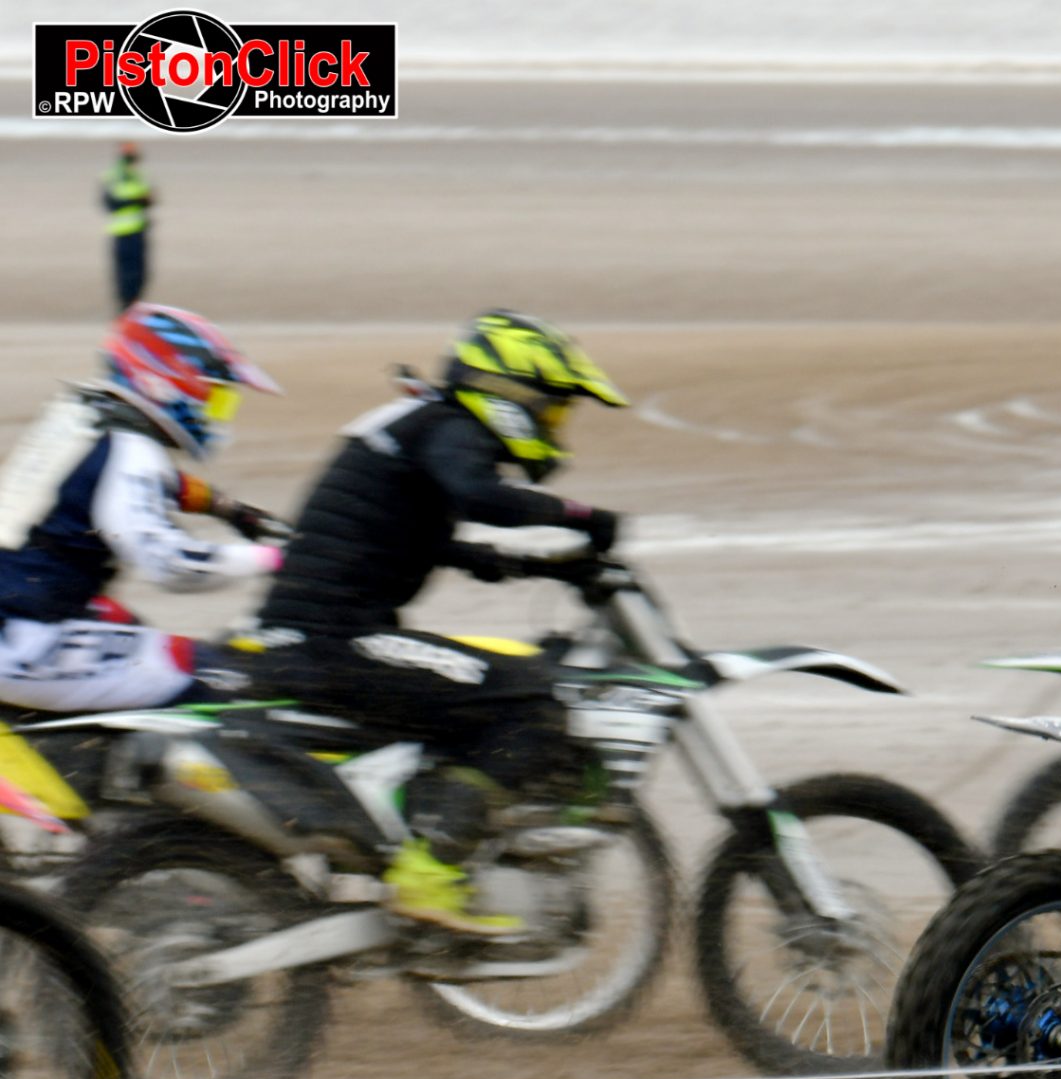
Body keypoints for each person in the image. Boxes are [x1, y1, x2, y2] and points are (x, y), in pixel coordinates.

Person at [241, 310, 626, 935]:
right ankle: (430, 873)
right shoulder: (451, 430)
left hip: (306, 636)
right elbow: (478, 497)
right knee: (527, 694)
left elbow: (398, 534)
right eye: (554, 408)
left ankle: (422, 829)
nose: (556, 425)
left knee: (474, 680)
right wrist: (583, 516)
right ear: (511, 392)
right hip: (337, 644)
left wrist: (508, 564)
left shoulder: (418, 424)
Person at [0, 305, 283, 712]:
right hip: (23, 638)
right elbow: (171, 563)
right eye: (215, 399)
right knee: (214, 674)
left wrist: (228, 509)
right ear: (167, 381)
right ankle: (146, 771)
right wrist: (274, 559)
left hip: (16, 604)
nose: (216, 414)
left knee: (123, 623)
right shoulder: (134, 452)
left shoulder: (77, 414)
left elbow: (118, 483)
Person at [102, 143, 153, 311]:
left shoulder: (139, 175)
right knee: (125, 274)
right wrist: (136, 201)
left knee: (140, 273)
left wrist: (144, 201)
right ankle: (125, 308)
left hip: (138, 229)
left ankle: (134, 304)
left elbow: (149, 199)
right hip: (122, 231)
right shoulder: (113, 177)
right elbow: (109, 203)